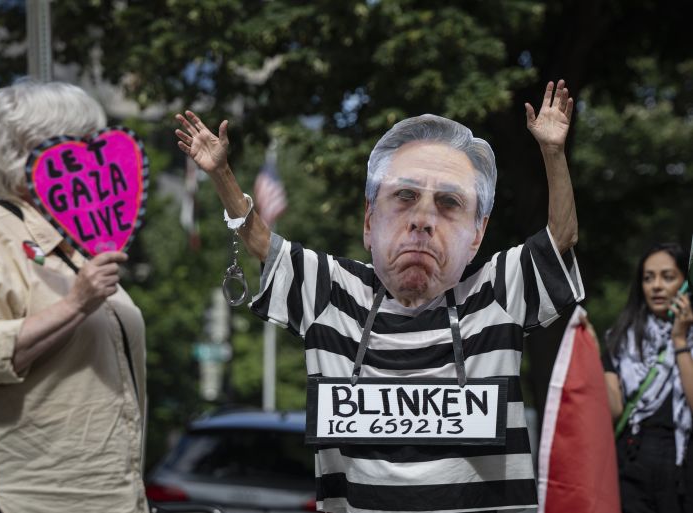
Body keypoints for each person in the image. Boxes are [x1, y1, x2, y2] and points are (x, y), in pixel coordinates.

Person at [175, 80, 584, 513]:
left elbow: (561, 238)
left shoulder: (499, 290)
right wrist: (220, 173)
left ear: (477, 234)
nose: (423, 220)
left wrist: (553, 153)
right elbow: (261, 241)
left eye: (448, 203)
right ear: (369, 222)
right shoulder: (330, 293)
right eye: (404, 196)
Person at [0, 80, 149, 513]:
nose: (97, 158)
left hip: (110, 497)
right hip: (29, 499)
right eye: (84, 143)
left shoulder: (78, 244)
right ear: (31, 150)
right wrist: (74, 305)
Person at [594, 242, 693, 513]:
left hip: (681, 465)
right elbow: (613, 410)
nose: (656, 286)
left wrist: (680, 339)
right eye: (648, 278)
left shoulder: (687, 338)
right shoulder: (621, 340)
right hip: (632, 461)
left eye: (668, 277)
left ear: (686, 283)